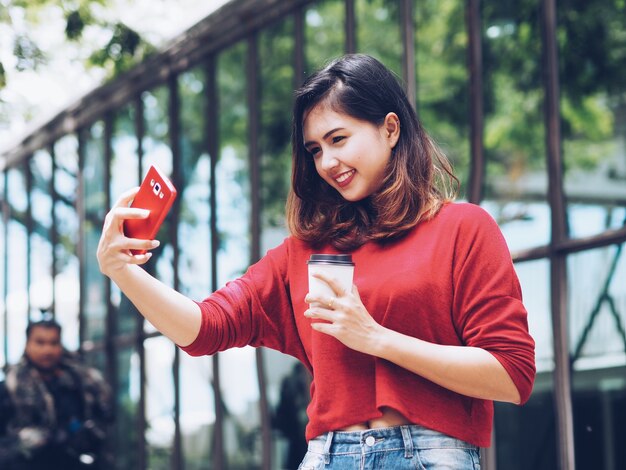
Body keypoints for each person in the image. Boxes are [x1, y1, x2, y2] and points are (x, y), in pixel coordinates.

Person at [97, 53, 535, 469]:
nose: (327, 162)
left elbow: (511, 375)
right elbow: (203, 327)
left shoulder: (462, 228)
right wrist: (124, 271)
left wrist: (377, 338)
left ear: (390, 128)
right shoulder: (305, 251)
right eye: (314, 149)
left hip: (429, 453)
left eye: (338, 139)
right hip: (328, 454)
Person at [0, 319, 113, 470]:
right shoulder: (10, 387)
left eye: (53, 343)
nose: (47, 350)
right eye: (40, 343)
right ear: (27, 344)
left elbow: (105, 416)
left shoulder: (81, 383)